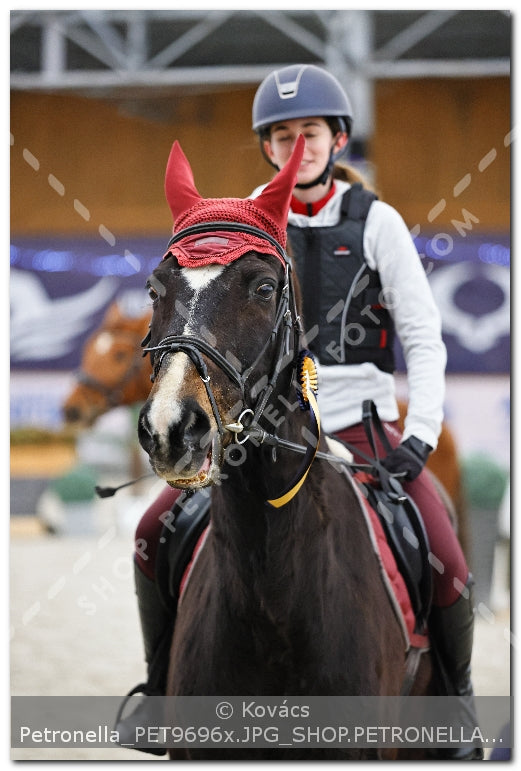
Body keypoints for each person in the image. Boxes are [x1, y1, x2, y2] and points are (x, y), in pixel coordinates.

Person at [116, 64, 482, 760]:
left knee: (444, 553)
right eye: (282, 135)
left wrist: (420, 434)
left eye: (310, 132)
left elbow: (421, 334)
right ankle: (159, 689)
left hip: (359, 426)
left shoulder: (376, 221)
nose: (298, 146)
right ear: (267, 146)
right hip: (258, 423)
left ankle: (455, 703)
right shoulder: (245, 221)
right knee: (152, 528)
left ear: (337, 138)